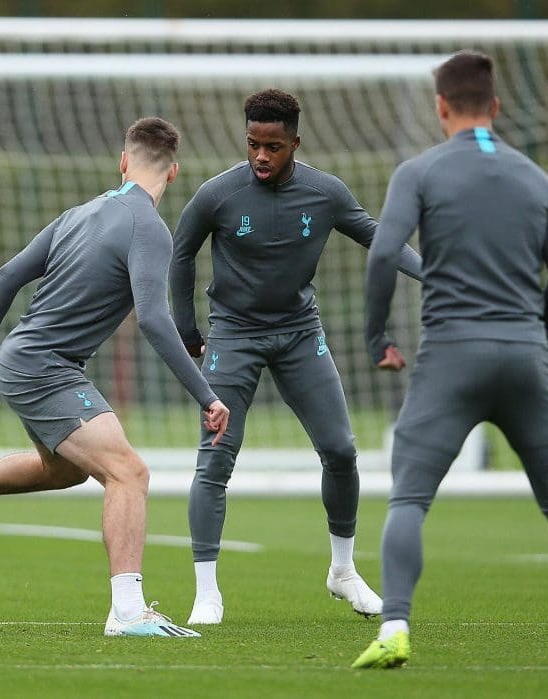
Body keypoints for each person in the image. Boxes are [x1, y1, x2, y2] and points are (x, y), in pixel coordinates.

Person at [0, 117, 230, 639]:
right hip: (44, 367)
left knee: (65, 472)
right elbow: (152, 317)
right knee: (130, 473)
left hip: (20, 359)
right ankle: (127, 612)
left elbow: (7, 274)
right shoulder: (150, 228)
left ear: (123, 162)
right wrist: (205, 394)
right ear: (173, 175)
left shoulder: (79, 212)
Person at [352, 51, 548, 669]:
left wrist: (378, 339)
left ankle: (395, 627)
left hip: (451, 356)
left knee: (409, 501)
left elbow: (383, 255)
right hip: (526, 356)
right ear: (495, 108)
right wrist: (535, 333)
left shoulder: (419, 173)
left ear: (441, 106)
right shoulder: (536, 178)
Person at [169, 88, 423, 625]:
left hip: (299, 333)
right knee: (215, 459)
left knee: (341, 450)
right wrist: (189, 330)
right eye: (254, 144)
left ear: (295, 143)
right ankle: (206, 594)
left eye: (274, 146)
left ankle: (343, 572)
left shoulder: (325, 193)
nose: (262, 156)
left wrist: (434, 274)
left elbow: (379, 238)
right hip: (233, 335)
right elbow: (180, 253)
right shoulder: (217, 195)